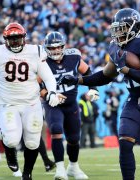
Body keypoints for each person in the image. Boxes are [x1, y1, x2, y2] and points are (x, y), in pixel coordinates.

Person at [58, 8, 140, 180]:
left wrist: (125, 68)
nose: (118, 32)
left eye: (123, 28)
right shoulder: (116, 46)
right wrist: (77, 80)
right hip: (134, 100)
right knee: (125, 142)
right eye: (117, 28)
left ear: (134, 27)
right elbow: (105, 76)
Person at [0, 22, 62, 180]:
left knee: (32, 142)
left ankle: (27, 174)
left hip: (31, 103)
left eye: (18, 38)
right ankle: (11, 155)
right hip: (7, 104)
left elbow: (48, 77)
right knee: (11, 140)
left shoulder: (35, 51)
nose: (15, 42)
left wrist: (52, 92)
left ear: (24, 38)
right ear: (5, 40)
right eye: (12, 39)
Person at [41, 31, 99, 180]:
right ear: (47, 48)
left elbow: (88, 72)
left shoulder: (73, 57)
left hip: (71, 103)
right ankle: (60, 169)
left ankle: (73, 167)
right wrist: (48, 95)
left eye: (58, 47)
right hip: (53, 104)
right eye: (52, 48)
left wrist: (93, 88)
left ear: (63, 46)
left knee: (74, 138)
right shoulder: (42, 61)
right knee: (56, 130)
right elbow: (36, 86)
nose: (55, 50)